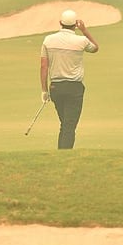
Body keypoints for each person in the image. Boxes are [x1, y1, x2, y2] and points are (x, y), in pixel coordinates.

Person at [39, 9, 99, 149]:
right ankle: (64, 156)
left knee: (65, 124)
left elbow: (43, 66)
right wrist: (84, 31)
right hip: (74, 88)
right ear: (75, 25)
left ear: (60, 23)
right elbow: (95, 48)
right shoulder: (81, 40)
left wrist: (44, 90)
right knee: (69, 125)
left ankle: (61, 154)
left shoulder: (48, 40)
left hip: (56, 88)